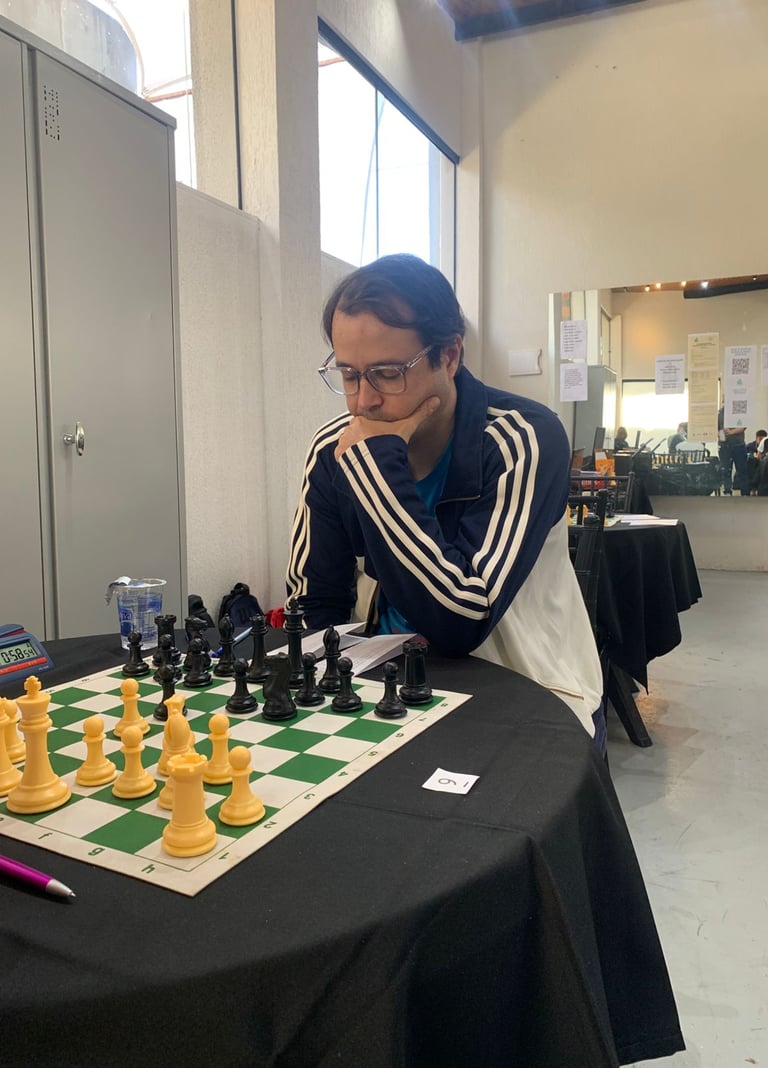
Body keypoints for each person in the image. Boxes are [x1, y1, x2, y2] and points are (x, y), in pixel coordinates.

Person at [286, 254, 604, 746]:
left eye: (387, 373)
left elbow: (461, 621)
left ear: (450, 356)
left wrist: (377, 470)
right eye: (348, 374)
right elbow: (315, 603)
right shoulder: (335, 450)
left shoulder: (523, 438)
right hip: (387, 685)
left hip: (527, 689)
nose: (362, 401)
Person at [717, 406, 750, 495]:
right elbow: (717, 428)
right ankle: (727, 491)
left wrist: (731, 432)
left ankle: (745, 493)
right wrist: (721, 434)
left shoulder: (739, 410)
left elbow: (744, 426)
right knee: (726, 470)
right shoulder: (720, 413)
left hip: (738, 445)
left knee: (742, 470)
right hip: (724, 445)